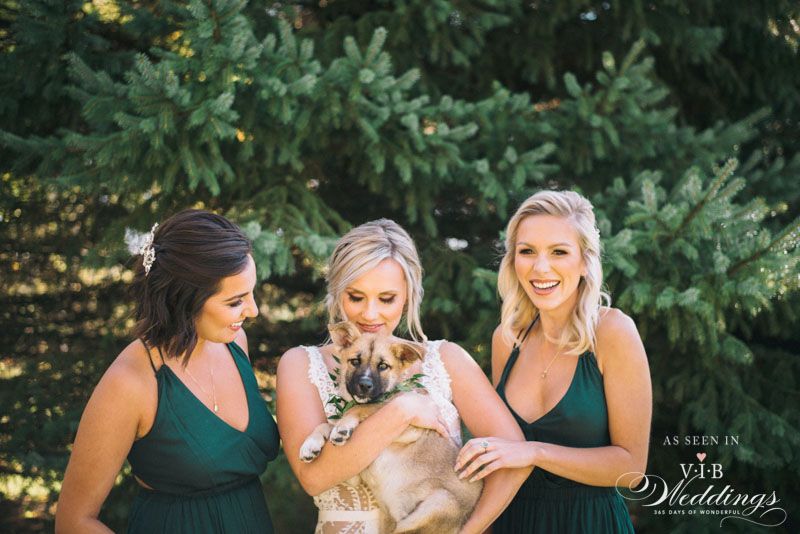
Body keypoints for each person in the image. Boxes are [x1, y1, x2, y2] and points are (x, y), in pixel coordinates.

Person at [276, 218, 529, 534]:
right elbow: (314, 478)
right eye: (356, 297)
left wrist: (468, 531)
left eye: (386, 298)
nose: (370, 314)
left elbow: (515, 461)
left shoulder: (446, 359)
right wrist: (402, 410)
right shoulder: (300, 364)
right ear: (337, 292)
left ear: (408, 295)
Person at [55, 209, 279, 534]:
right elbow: (73, 521)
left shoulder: (236, 342)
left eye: (252, 293)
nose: (253, 311)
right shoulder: (130, 383)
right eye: (235, 302)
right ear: (185, 300)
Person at [455, 190, 652, 533]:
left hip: (589, 524)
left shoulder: (613, 333)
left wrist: (534, 453)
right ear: (512, 261)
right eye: (527, 252)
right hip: (512, 523)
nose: (540, 268)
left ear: (585, 260)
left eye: (559, 252)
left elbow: (632, 469)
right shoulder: (507, 339)